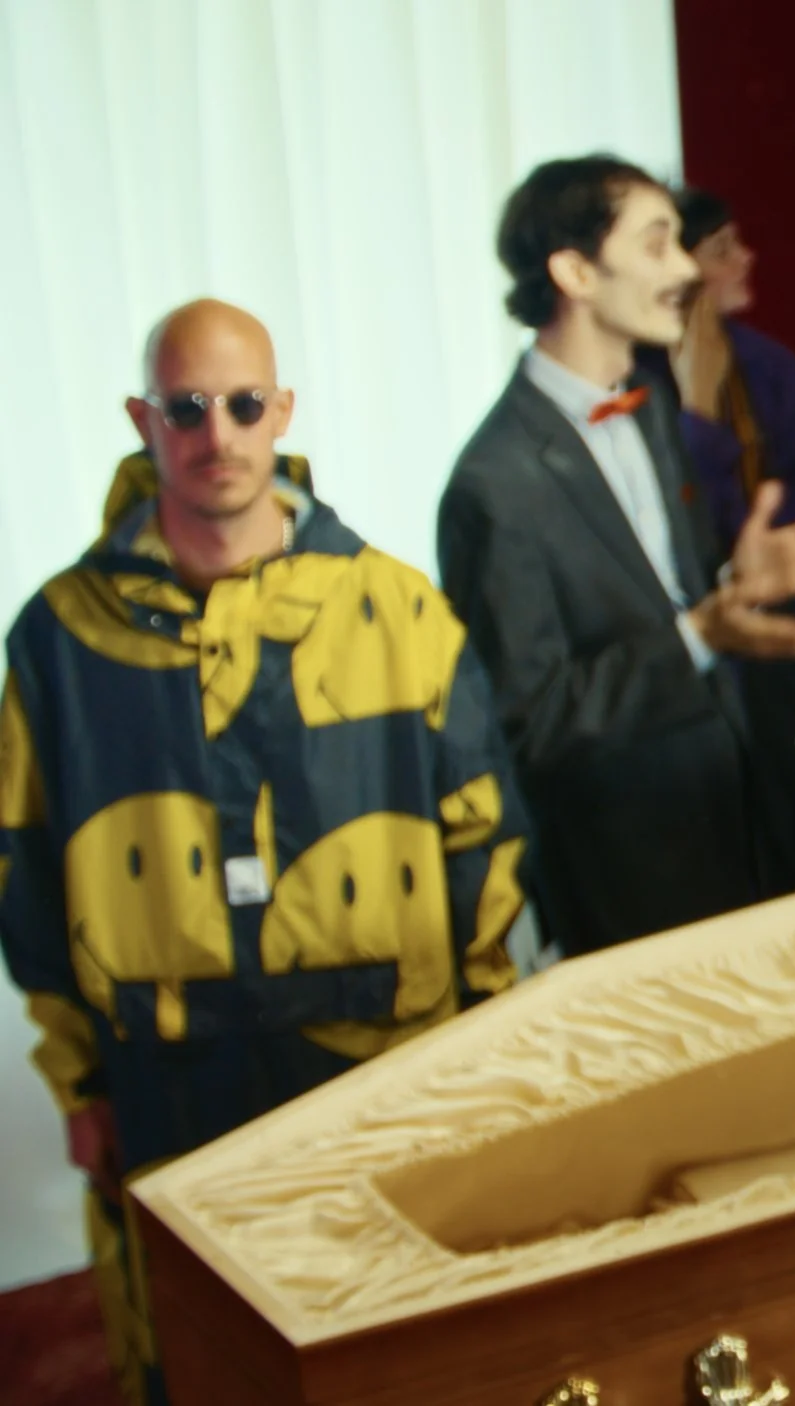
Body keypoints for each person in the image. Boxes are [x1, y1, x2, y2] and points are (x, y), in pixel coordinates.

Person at [0, 301, 529, 1405]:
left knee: (401, 1345)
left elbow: (482, 829)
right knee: (204, 1355)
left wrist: (486, 1037)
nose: (219, 435)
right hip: (170, 1068)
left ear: (282, 411)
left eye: (244, 405)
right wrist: (76, 1079)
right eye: (188, 408)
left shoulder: (391, 605)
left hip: (381, 1055)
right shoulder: (61, 637)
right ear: (144, 420)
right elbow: (26, 866)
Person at [439, 155, 795, 958]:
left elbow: (673, 605)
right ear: (575, 272)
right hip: (627, 882)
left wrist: (738, 586)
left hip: (738, 830)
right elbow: (534, 723)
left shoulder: (654, 409)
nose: (686, 269)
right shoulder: (492, 484)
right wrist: (704, 633)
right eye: (659, 243)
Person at [665, 186, 795, 884]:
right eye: (723, 250)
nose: (746, 259)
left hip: (791, 636)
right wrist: (694, 415)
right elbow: (691, 536)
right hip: (702, 657)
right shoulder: (639, 385)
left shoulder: (771, 368)